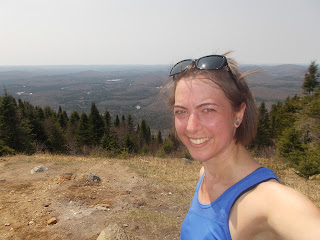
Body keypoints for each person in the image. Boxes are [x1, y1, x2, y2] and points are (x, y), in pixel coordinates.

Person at [168, 53, 320, 240]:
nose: (191, 127)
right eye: (181, 111)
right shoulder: (205, 176)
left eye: (207, 110)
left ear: (238, 114)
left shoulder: (269, 202)